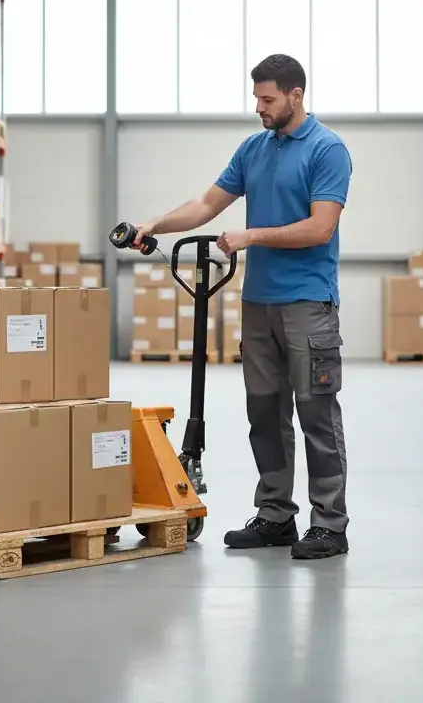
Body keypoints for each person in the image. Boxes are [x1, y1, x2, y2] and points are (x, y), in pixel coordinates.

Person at [131, 53, 352, 560]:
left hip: (308, 303)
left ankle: (330, 525)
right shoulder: (254, 149)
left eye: (267, 98)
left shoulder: (327, 149)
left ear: (295, 95)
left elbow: (321, 228)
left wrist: (251, 235)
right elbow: (206, 204)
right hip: (259, 304)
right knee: (264, 413)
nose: (259, 107)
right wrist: (155, 226)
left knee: (316, 413)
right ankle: (276, 516)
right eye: (256, 97)